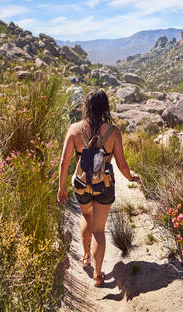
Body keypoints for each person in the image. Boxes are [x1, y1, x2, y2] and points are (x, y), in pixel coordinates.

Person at [57, 88, 141, 287]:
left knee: (86, 217)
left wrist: (61, 188)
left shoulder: (74, 129)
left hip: (81, 185)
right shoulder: (113, 132)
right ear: (105, 107)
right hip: (104, 186)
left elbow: (64, 162)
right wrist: (131, 177)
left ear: (86, 106)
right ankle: (97, 274)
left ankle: (86, 256)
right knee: (99, 230)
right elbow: (121, 164)